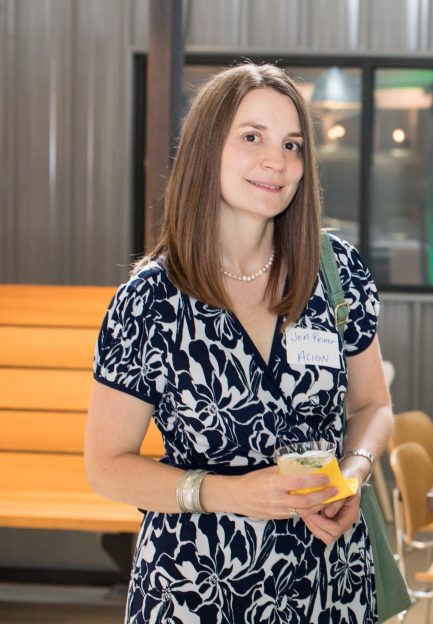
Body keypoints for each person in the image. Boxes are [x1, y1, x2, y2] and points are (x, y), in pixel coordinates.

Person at [84, 63, 393, 623]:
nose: (277, 161)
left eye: (292, 144)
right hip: (195, 587)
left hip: (328, 581)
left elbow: (373, 406)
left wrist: (354, 472)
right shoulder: (152, 300)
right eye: (252, 137)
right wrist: (232, 495)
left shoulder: (335, 271)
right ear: (208, 150)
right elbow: (106, 466)